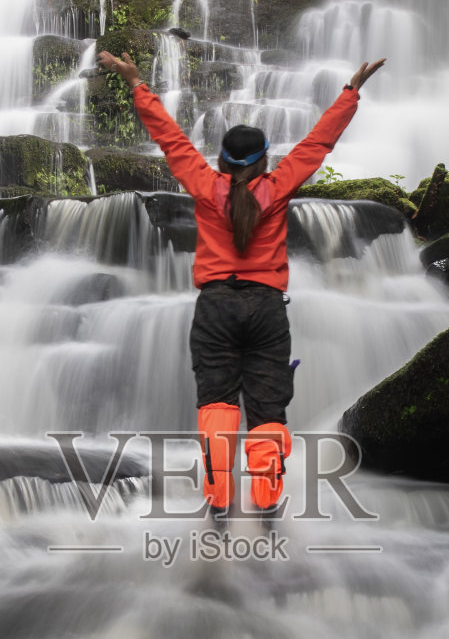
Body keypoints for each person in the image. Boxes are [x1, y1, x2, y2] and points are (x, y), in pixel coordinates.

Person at [97, 49, 385, 521]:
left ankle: (219, 499)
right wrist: (350, 92)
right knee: (267, 407)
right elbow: (318, 143)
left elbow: (170, 139)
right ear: (264, 159)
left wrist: (136, 83)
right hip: (266, 309)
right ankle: (267, 502)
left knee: (217, 402)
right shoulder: (278, 185)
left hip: (215, 308)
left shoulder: (204, 184)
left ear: (223, 160)